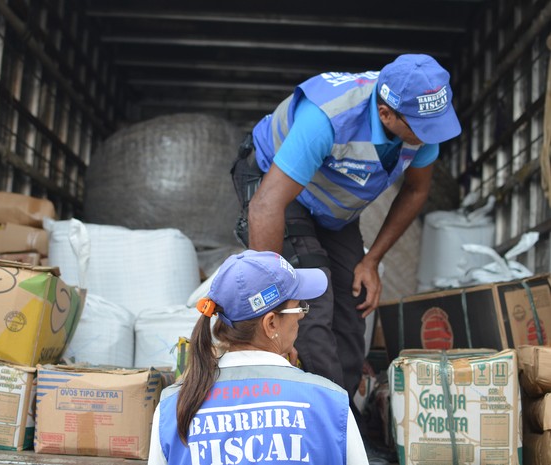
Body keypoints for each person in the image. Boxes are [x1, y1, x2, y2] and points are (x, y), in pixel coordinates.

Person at [231, 54, 462, 426]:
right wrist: (271, 295)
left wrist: (371, 261)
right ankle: (325, 420)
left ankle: (342, 411)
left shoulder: (420, 124)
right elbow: (265, 205)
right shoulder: (328, 118)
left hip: (332, 207)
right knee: (310, 301)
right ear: (387, 115)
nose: (432, 137)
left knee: (352, 303)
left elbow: (416, 191)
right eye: (423, 128)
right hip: (277, 190)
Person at [148, 250, 369, 465]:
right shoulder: (330, 403)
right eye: (298, 307)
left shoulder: (173, 407)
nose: (302, 315)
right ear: (271, 323)